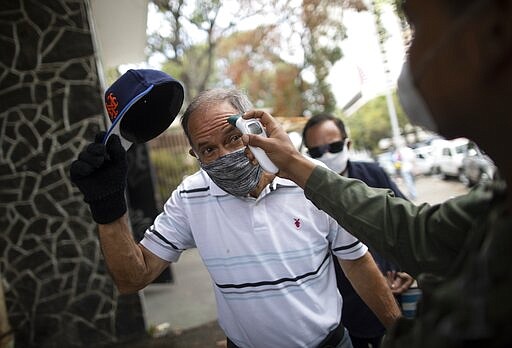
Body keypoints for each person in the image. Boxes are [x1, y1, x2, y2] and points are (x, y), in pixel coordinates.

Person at [241, 0, 512, 346]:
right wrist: (293, 164)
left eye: (415, 28)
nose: (411, 58)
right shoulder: (497, 203)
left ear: (493, 30)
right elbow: (418, 233)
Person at [70, 88, 401, 348]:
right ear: (195, 156)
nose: (224, 155)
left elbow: (357, 262)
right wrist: (108, 208)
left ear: (254, 128)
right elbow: (132, 278)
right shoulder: (189, 198)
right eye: (209, 149)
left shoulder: (311, 182)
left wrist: (399, 332)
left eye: (232, 138)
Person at [302, 114, 415, 348]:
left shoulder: (373, 174)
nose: (327, 155)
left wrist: (407, 268)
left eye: (333, 146)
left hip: (390, 296)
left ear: (348, 143)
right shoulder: (300, 192)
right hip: (342, 313)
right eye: (317, 152)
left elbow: (405, 226)